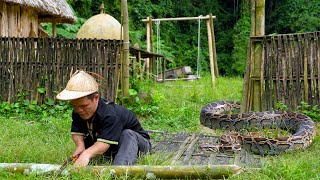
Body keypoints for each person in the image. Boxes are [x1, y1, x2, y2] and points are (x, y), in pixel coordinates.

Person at [56, 70, 151, 167]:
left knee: (127, 134)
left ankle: (120, 171)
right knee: (88, 141)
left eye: (84, 106)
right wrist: (81, 146)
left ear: (96, 98)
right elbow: (77, 133)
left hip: (138, 145)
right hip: (113, 144)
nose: (79, 110)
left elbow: (103, 144)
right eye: (75, 106)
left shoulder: (111, 115)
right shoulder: (78, 111)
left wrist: (86, 154)